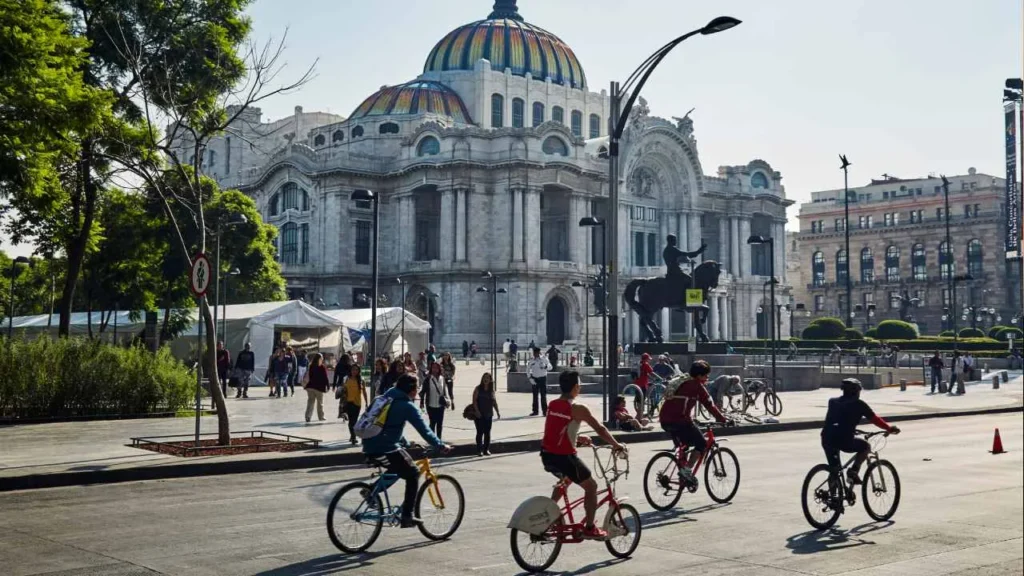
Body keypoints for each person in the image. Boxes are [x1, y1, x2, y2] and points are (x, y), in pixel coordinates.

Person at [540, 370, 626, 540]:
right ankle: (590, 528)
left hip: (547, 455)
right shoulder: (577, 408)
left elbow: (557, 431)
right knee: (591, 486)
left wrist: (578, 439)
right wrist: (616, 445)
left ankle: (547, 516)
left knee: (567, 479)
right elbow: (600, 429)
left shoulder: (553, 404)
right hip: (564, 456)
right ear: (575, 387)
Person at [363, 374, 451, 528]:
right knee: (413, 473)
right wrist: (440, 445)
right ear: (411, 390)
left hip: (370, 444)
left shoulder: (384, 399)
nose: (417, 392)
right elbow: (425, 430)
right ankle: (407, 516)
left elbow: (388, 426)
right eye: (417, 388)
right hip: (384, 448)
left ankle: (372, 491)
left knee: (398, 467)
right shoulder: (406, 406)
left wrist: (405, 442)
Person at [658, 360, 729, 485]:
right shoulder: (696, 386)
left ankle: (681, 472)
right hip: (680, 421)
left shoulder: (682, 380)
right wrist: (722, 419)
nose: (707, 378)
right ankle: (686, 471)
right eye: (706, 375)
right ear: (699, 376)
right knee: (702, 444)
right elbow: (709, 404)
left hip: (664, 420)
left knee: (685, 445)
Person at [821, 378, 900, 486]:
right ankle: (853, 472)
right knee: (866, 447)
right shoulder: (859, 404)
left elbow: (836, 421)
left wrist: (851, 430)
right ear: (856, 391)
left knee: (834, 469)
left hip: (827, 438)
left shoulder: (833, 401)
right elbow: (875, 419)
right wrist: (888, 428)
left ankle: (834, 498)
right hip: (844, 440)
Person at [473, 372, 501, 455]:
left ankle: (486, 449)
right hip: (479, 414)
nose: (486, 379)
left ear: (490, 380)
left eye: (488, 378)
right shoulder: (478, 388)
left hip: (489, 414)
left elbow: (494, 401)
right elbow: (474, 401)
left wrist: (497, 411)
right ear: (482, 379)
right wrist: (477, 411)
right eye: (484, 377)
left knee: (487, 432)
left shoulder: (491, 390)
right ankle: (479, 450)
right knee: (479, 432)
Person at [420, 362, 450, 439]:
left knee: (440, 424)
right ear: (431, 369)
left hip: (440, 405)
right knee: (432, 424)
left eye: (436, 368)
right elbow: (423, 392)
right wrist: (421, 402)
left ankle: (439, 440)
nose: (435, 369)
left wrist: (447, 400)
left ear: (439, 369)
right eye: (433, 367)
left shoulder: (442, 378)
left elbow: (444, 391)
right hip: (431, 405)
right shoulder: (428, 379)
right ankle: (433, 441)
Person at [340, 364, 369, 443]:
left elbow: (364, 392)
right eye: (353, 369)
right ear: (350, 370)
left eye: (356, 370)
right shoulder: (346, 379)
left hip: (357, 403)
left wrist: (366, 402)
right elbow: (342, 390)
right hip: (348, 402)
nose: (354, 371)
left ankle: (352, 436)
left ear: (359, 371)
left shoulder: (361, 380)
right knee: (351, 421)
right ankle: (353, 437)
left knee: (355, 421)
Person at [303, 352, 330, 423]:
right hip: (319, 388)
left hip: (311, 387)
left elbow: (310, 376)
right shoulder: (322, 367)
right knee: (320, 403)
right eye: (322, 359)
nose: (322, 360)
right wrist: (328, 385)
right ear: (320, 359)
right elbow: (325, 378)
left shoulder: (311, 366)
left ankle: (308, 416)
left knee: (310, 402)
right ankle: (321, 417)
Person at [528, 347, 553, 416]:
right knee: (535, 395)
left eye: (535, 353)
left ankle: (545, 411)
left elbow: (550, 367)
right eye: (534, 353)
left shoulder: (544, 359)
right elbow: (528, 370)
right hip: (534, 378)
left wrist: (545, 367)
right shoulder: (531, 360)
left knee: (543, 395)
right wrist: (530, 378)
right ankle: (535, 411)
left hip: (542, 378)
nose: (534, 354)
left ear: (538, 353)